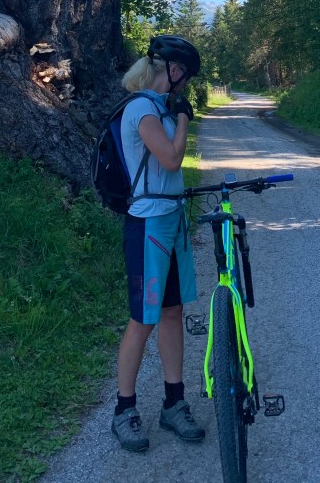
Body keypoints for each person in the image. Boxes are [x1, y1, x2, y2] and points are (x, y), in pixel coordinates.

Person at [111, 34, 206, 453]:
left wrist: (177, 113)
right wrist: (184, 120)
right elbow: (170, 159)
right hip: (148, 223)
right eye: (185, 75)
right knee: (143, 319)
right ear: (171, 70)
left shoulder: (159, 107)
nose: (185, 84)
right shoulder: (140, 108)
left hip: (171, 218)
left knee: (171, 312)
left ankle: (174, 402)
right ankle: (124, 409)